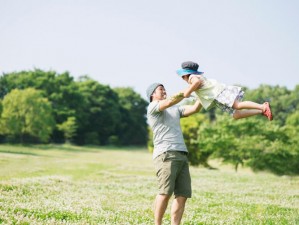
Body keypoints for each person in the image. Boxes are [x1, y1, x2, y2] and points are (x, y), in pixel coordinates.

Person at [146, 83, 202, 225]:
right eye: (161, 89)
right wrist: (190, 89)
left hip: (182, 154)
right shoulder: (153, 107)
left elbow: (195, 108)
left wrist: (204, 93)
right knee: (165, 192)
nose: (164, 90)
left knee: (182, 195)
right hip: (166, 154)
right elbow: (171, 100)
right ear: (153, 94)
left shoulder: (174, 109)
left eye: (165, 88)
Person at [176, 61, 273, 120]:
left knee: (237, 105)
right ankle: (261, 111)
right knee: (236, 115)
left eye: (182, 77)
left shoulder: (192, 77)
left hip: (219, 93)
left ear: (186, 74)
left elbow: (196, 82)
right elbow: (197, 104)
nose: (183, 79)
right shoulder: (196, 84)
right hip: (218, 98)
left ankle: (262, 106)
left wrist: (188, 92)